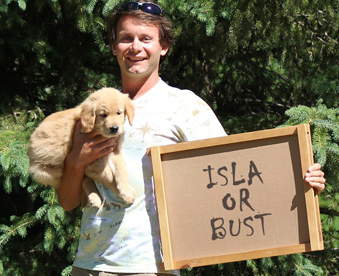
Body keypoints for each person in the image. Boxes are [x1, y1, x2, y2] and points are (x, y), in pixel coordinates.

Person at [56, 1, 326, 276]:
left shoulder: (186, 106)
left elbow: (238, 176)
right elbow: (66, 202)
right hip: (90, 266)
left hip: (153, 267)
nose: (135, 47)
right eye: (126, 38)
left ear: (163, 47)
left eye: (146, 38)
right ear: (114, 47)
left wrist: (299, 182)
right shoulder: (95, 109)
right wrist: (77, 162)